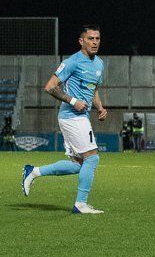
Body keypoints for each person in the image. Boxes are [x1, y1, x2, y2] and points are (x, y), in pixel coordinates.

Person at [21, 24, 107, 214]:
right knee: (92, 158)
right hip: (71, 117)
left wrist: (100, 107)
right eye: (90, 38)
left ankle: (33, 172)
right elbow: (50, 86)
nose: (94, 42)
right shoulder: (72, 62)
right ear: (81, 41)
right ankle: (81, 204)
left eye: (97, 38)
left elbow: (93, 90)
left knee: (78, 165)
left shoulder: (99, 63)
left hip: (81, 117)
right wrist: (73, 100)